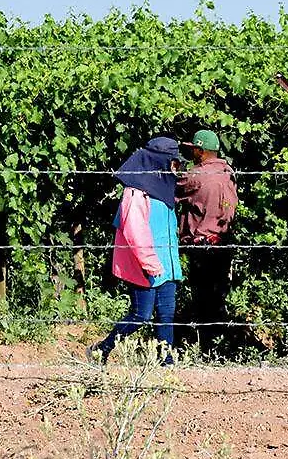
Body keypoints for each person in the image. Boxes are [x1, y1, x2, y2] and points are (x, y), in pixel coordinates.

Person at [89, 137, 184, 364]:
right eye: (173, 162)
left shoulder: (165, 187)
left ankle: (166, 364)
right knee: (141, 315)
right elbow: (135, 230)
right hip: (145, 266)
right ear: (159, 161)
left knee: (166, 315)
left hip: (167, 265)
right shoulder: (136, 192)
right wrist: (150, 263)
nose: (177, 167)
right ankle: (102, 349)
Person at [176, 130, 239, 346]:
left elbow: (173, 189)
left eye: (193, 148)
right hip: (223, 241)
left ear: (201, 151)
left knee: (202, 298)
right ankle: (221, 344)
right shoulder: (228, 172)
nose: (191, 151)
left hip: (202, 245)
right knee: (217, 296)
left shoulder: (196, 176)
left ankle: (206, 346)